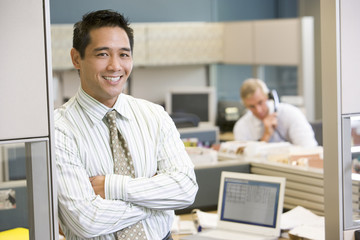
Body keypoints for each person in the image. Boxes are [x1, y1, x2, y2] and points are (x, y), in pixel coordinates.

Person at [54, 10, 198, 240]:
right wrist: (155, 200)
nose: (115, 66)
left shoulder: (154, 116)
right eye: (102, 54)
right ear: (76, 58)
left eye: (124, 54)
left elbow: (186, 189)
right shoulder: (59, 130)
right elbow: (86, 221)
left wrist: (113, 187)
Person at [233, 78, 317, 147]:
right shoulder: (241, 126)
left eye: (260, 102)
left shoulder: (290, 114)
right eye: (252, 106)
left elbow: (309, 147)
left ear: (268, 97)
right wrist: (266, 135)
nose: (258, 110)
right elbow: (244, 161)